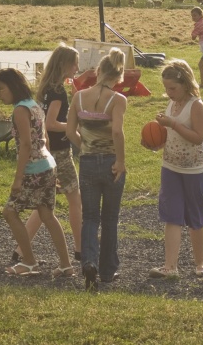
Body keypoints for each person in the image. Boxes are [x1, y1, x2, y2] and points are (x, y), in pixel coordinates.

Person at [0, 68, 74, 277]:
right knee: (47, 214)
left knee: (10, 212)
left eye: (1, 88)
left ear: (13, 87)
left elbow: (26, 145)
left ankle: (29, 262)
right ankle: (66, 265)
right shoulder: (35, 106)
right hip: (48, 164)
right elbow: (45, 139)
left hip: (33, 170)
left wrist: (18, 178)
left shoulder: (20, 110)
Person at [12, 43, 85, 263]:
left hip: (46, 151)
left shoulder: (45, 87)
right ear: (65, 65)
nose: (76, 69)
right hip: (60, 152)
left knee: (44, 205)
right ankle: (80, 249)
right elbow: (51, 123)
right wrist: (73, 126)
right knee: (75, 200)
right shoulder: (58, 92)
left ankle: (20, 250)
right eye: (75, 65)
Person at [66, 48, 127, 291]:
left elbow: (71, 132)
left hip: (88, 162)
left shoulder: (78, 97)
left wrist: (87, 147)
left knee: (90, 216)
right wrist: (120, 161)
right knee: (110, 217)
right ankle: (108, 270)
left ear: (98, 71)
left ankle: (88, 262)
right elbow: (116, 131)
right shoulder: (118, 100)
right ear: (119, 75)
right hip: (112, 161)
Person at [148, 59, 203, 279]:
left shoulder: (196, 105)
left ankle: (200, 264)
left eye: (172, 88)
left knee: (195, 217)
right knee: (172, 216)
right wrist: (156, 143)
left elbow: (198, 137)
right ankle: (170, 267)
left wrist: (173, 124)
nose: (169, 92)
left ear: (185, 83)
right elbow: (170, 135)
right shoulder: (171, 104)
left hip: (194, 169)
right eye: (165, 88)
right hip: (171, 167)